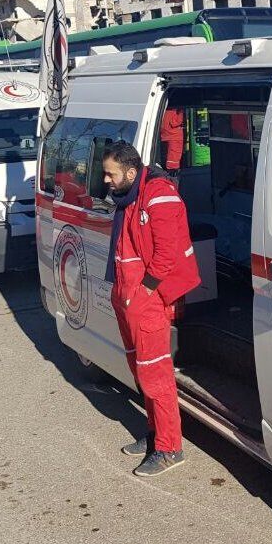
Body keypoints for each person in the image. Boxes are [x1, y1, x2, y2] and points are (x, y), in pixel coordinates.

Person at [103, 140, 200, 477]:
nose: (105, 180)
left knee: (155, 374)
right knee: (140, 372)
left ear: (130, 172)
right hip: (127, 295)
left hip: (146, 301)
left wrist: (143, 294)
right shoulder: (129, 195)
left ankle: (170, 448)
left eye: (110, 174)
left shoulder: (158, 194)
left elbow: (165, 256)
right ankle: (156, 433)